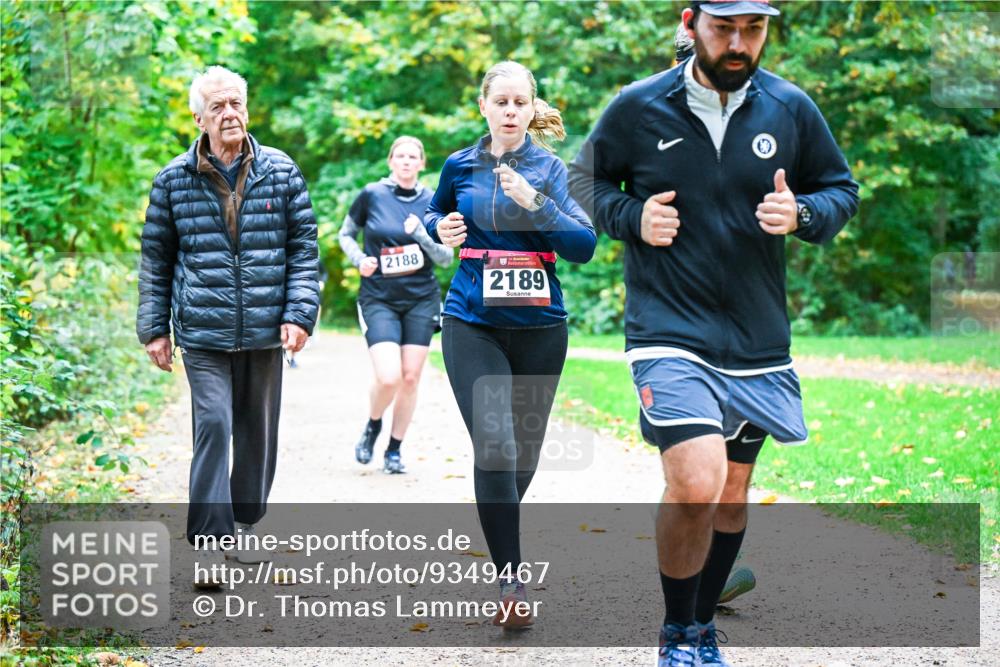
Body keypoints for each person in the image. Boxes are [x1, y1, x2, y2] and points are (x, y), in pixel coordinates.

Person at [568, 2, 859, 665]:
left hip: (757, 340)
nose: (738, 43)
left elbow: (841, 189)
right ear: (691, 22)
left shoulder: (790, 109)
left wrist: (805, 210)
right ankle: (678, 635)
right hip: (667, 328)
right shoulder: (638, 107)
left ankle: (701, 625)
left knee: (730, 494)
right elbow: (582, 181)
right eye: (724, 27)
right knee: (697, 479)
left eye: (753, 30)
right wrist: (631, 215)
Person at [425, 61, 596, 629]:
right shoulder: (459, 164)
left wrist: (535, 203)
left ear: (530, 108)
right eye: (500, 102)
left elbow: (583, 245)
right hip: (471, 321)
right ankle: (511, 580)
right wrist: (439, 229)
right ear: (484, 107)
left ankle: (499, 521)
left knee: (520, 460)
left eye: (520, 103)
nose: (510, 112)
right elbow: (433, 210)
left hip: (541, 330)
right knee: (495, 447)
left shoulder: (550, 170)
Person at [136, 66, 319, 585]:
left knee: (257, 432)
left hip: (264, 328)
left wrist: (299, 313)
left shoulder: (281, 171)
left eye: (235, 102)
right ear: (198, 117)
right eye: (217, 106)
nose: (229, 113)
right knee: (214, 425)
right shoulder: (174, 179)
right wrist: (155, 327)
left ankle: (244, 525)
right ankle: (210, 545)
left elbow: (304, 250)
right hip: (202, 331)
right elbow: (156, 258)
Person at [339, 136, 453, 474]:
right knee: (388, 377)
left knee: (410, 377)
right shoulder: (372, 194)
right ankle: (373, 425)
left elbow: (446, 258)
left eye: (412, 156)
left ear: (421, 163)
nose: (405, 161)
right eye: (400, 156)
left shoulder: (434, 201)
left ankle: (394, 450)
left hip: (421, 298)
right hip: (379, 297)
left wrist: (420, 233)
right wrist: (360, 259)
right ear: (391, 161)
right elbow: (345, 234)